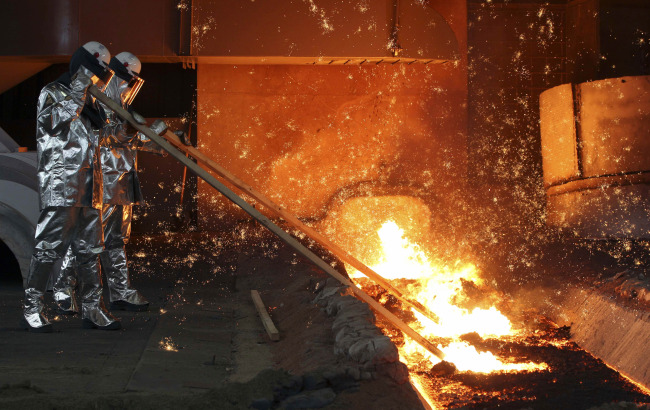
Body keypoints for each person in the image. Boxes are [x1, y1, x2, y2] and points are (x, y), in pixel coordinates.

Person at [52, 52, 168, 314]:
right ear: (115, 76)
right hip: (101, 185)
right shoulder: (97, 102)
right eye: (127, 80)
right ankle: (63, 288)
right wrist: (144, 135)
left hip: (121, 184)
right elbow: (107, 138)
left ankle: (120, 291)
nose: (129, 87)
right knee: (87, 239)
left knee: (116, 241)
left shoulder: (120, 106)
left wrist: (159, 143)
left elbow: (127, 141)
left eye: (133, 82)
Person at [23, 41, 120, 332]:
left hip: (91, 187)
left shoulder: (91, 105)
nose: (91, 79)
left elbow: (106, 141)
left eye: (95, 75)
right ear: (79, 67)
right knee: (48, 249)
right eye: (89, 72)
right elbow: (52, 123)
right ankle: (32, 307)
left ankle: (92, 308)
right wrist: (79, 90)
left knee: (91, 251)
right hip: (61, 185)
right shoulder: (52, 93)